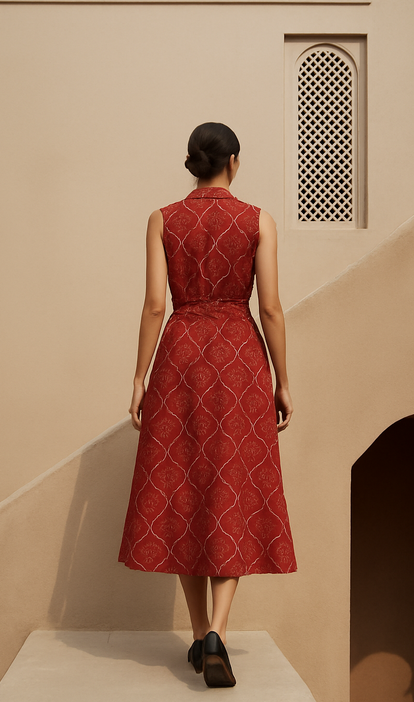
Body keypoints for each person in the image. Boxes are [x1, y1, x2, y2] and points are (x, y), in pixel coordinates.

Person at [118, 122, 297, 688]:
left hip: (180, 357)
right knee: (230, 489)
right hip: (240, 359)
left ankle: (198, 637)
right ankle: (215, 631)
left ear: (192, 164)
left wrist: (140, 375)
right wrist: (283, 380)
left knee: (182, 489)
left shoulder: (162, 219)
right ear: (234, 163)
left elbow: (153, 304)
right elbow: (270, 308)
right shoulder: (258, 220)